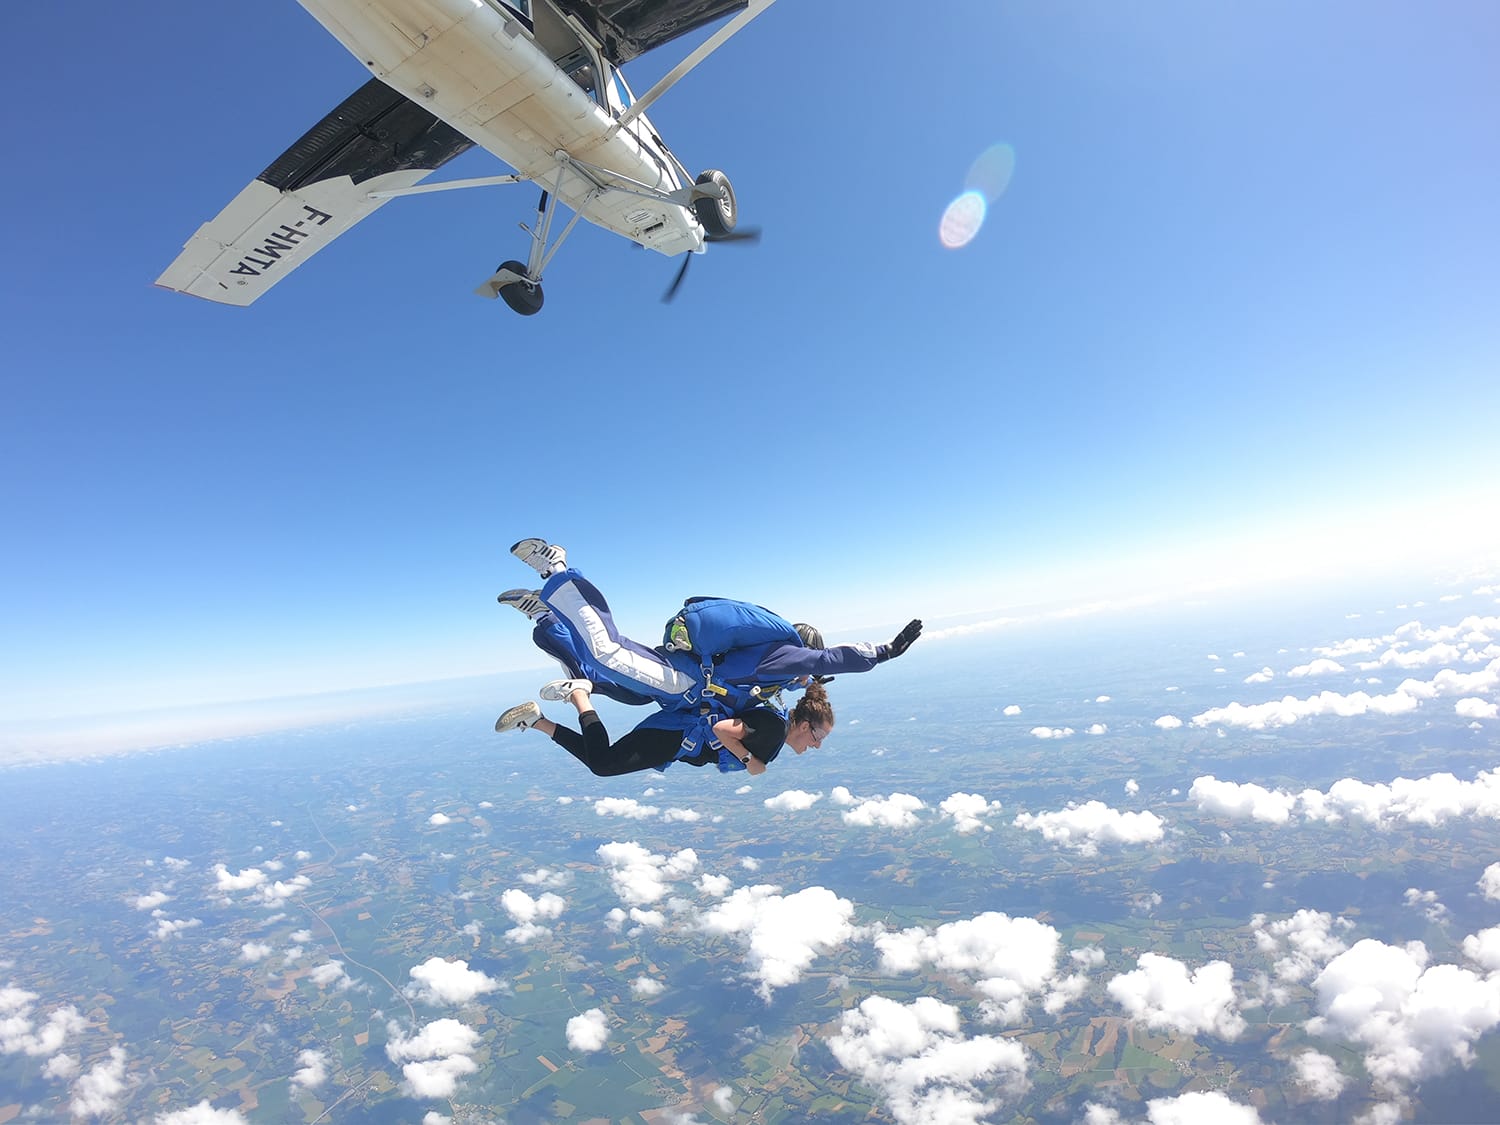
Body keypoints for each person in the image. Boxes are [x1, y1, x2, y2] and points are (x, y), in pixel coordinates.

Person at [500, 538, 923, 715]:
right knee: (606, 652)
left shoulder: (782, 675)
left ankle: (545, 615)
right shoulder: (784, 656)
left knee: (604, 681)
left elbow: (812, 673)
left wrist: (816, 677)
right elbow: (828, 659)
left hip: (677, 683)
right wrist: (882, 653)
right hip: (680, 679)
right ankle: (557, 569)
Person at [495, 679, 836, 778]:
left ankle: (537, 721)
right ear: (805, 725)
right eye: (818, 736)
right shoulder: (775, 729)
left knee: (604, 761)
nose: (817, 745)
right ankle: (579, 697)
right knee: (603, 763)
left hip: (676, 736)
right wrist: (751, 762)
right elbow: (722, 730)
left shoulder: (776, 719)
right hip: (676, 736)